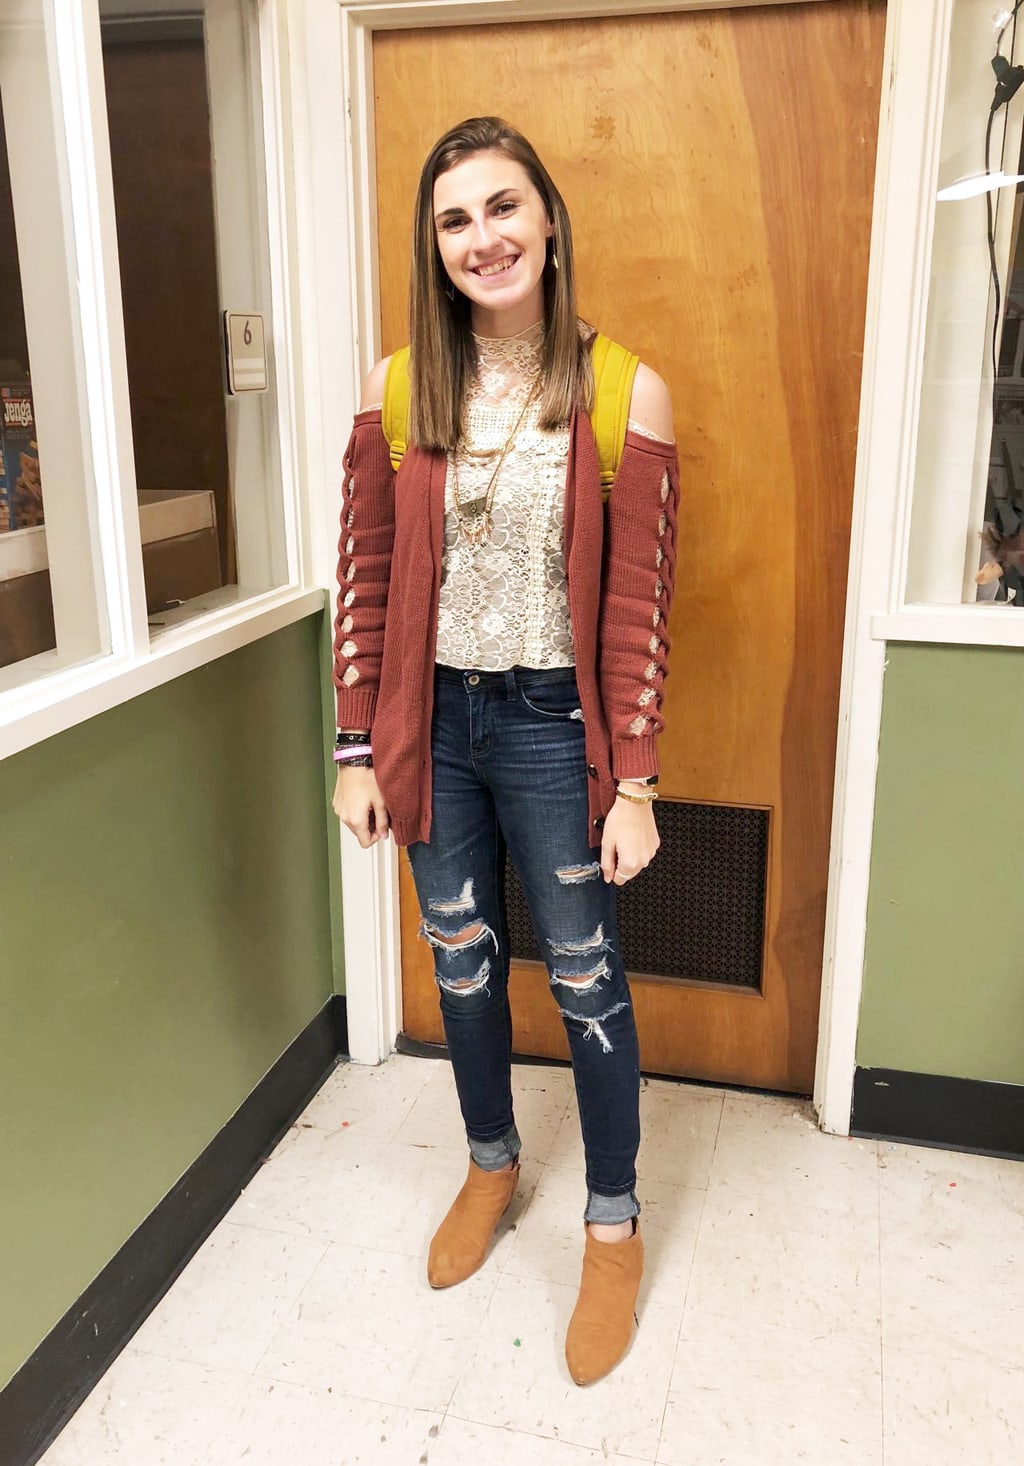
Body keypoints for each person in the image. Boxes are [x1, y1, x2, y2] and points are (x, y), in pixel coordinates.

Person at [332, 117, 678, 1385]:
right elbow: (364, 579)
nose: (482, 237)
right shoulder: (396, 387)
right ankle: (490, 1162)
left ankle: (612, 1218)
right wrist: (356, 747)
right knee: (463, 967)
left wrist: (632, 775)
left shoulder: (619, 386)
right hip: (436, 724)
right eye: (453, 218)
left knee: (584, 975)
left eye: (502, 207)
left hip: (547, 727)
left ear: (547, 221)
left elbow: (639, 598)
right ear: (435, 246)